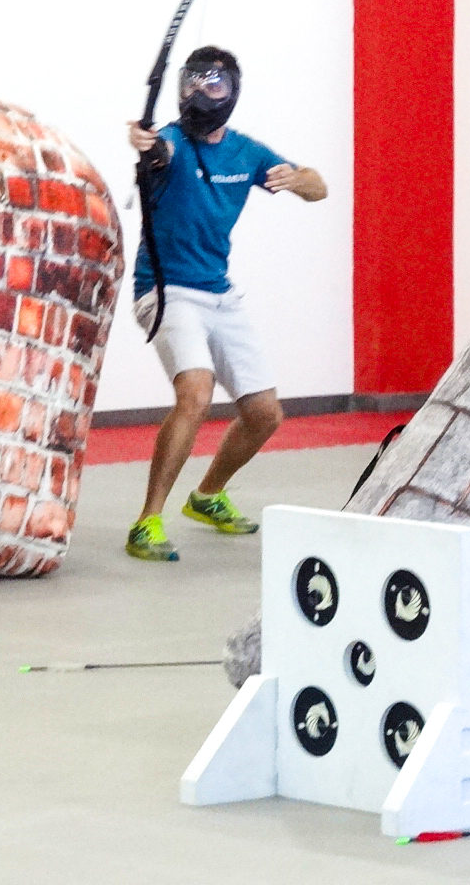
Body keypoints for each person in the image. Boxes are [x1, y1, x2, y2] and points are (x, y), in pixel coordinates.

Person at [122, 46, 327, 561]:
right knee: (196, 392)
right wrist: (143, 145)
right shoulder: (168, 142)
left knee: (265, 414)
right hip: (165, 291)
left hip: (219, 292)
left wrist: (300, 179)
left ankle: (207, 495)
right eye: (192, 82)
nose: (200, 92)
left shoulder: (245, 152)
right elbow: (154, 154)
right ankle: (147, 522)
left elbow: (318, 188)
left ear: (231, 93)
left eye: (213, 84)